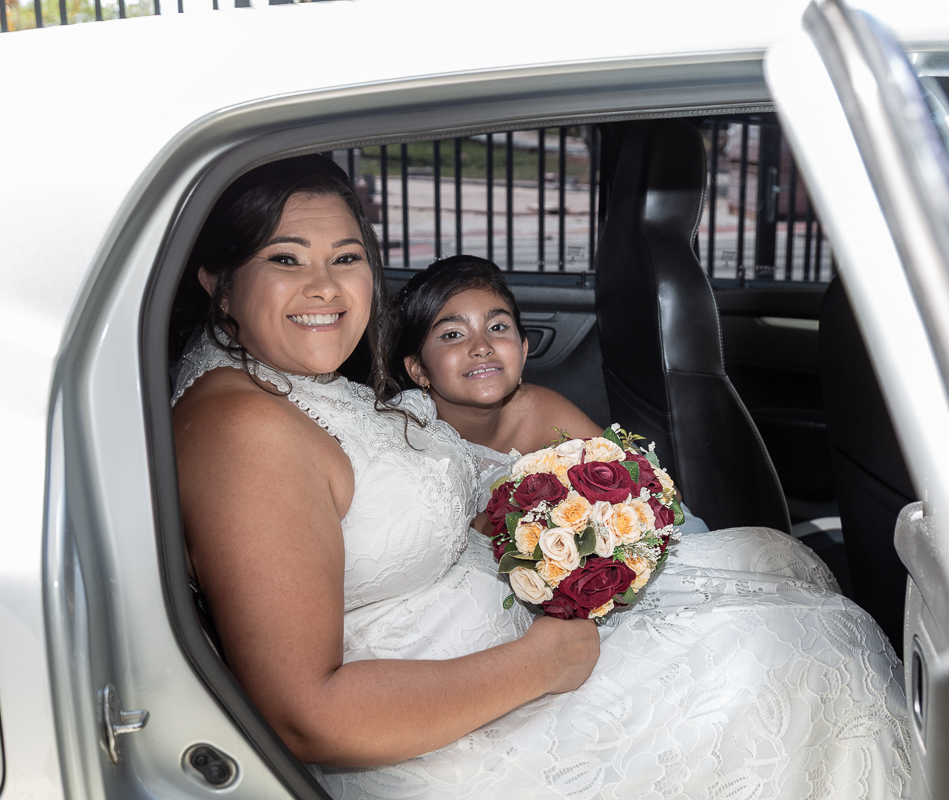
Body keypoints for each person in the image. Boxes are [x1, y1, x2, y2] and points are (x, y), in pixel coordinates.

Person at [172, 155, 910, 799]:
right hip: (456, 734)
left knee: (778, 579)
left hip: (498, 655)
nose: (325, 288)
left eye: (346, 257)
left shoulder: (291, 383)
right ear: (219, 283)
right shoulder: (246, 431)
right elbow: (308, 716)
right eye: (286, 259)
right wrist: (540, 663)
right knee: (806, 659)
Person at [391, 254, 710, 536]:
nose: (482, 347)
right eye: (453, 334)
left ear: (523, 349)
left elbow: (659, 491)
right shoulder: (401, 436)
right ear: (418, 369)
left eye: (497, 327)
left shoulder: (539, 409)